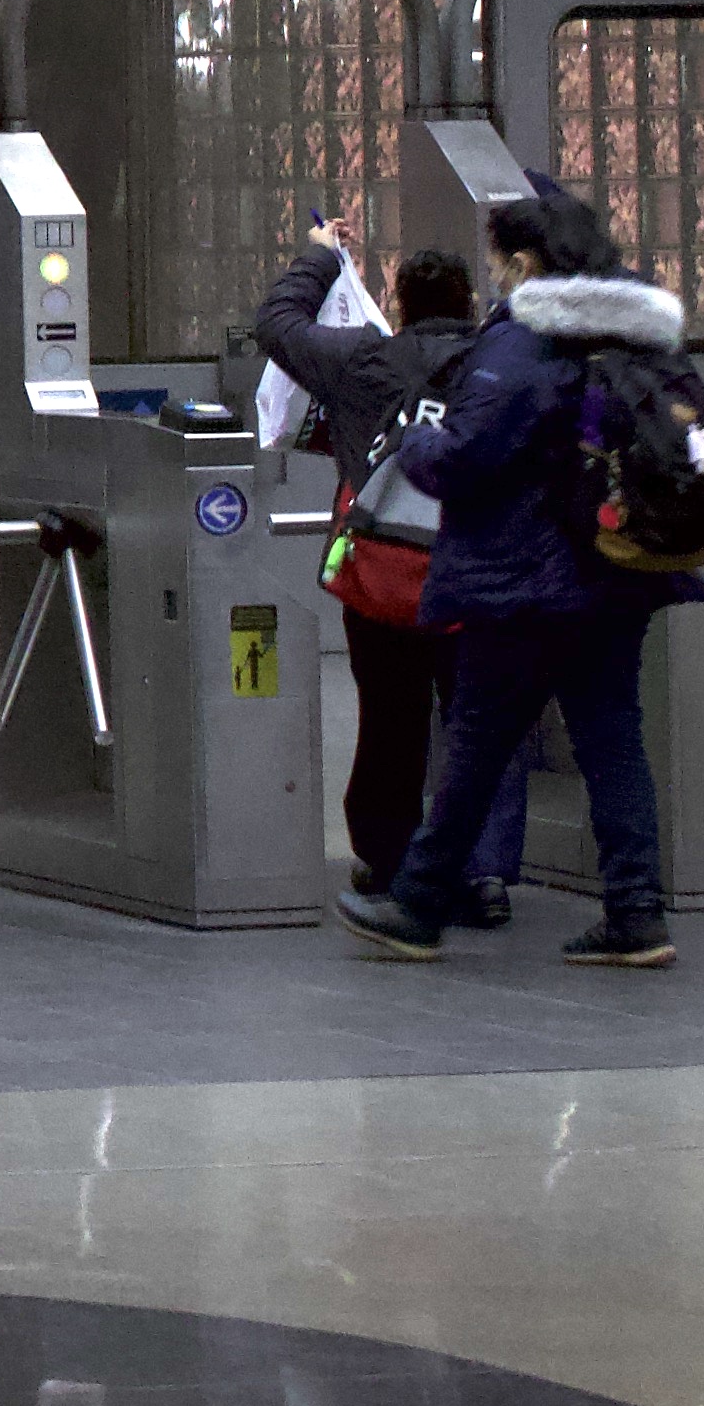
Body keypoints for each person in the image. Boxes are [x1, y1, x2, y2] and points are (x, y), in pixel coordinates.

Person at [334, 186, 704, 970]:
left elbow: (465, 456)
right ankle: (637, 913)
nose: (496, 277)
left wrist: (411, 447)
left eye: (501, 261)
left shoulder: (522, 343)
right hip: (618, 572)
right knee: (612, 739)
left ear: (527, 263)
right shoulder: (644, 334)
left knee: (476, 742)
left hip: (523, 582)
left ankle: (419, 905)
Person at [245, 222, 481, 912]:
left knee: (389, 718)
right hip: (472, 572)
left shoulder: (360, 360)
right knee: (476, 721)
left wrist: (323, 256)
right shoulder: (494, 365)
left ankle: (386, 861)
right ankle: (476, 868)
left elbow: (276, 323)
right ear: (469, 303)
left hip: (378, 574)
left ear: (398, 304)